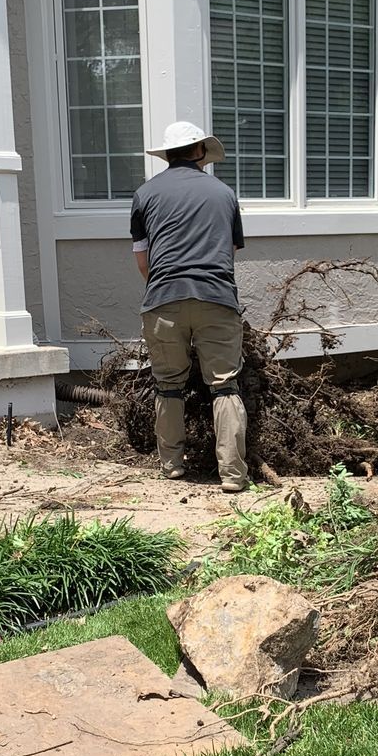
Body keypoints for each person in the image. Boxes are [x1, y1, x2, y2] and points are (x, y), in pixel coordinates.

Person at [130, 121, 248, 493]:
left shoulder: (145, 194)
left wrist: (166, 288)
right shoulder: (224, 193)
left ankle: (172, 466)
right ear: (199, 151)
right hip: (216, 299)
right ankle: (232, 475)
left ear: (167, 155)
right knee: (225, 388)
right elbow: (229, 254)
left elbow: (142, 259)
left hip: (164, 299)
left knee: (168, 386)